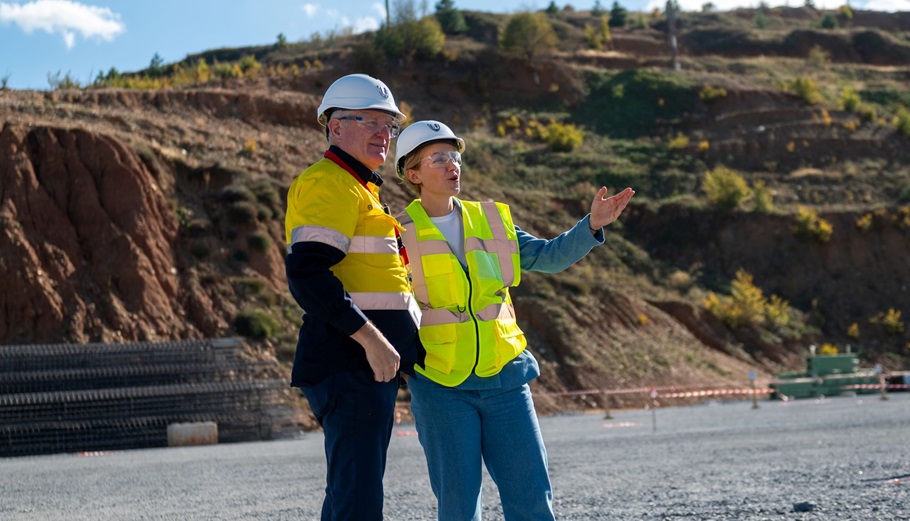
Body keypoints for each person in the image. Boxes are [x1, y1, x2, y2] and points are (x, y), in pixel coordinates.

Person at [393, 120, 634, 521]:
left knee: (532, 502)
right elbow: (386, 303)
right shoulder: (398, 233)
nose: (453, 165)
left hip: (506, 380)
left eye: (455, 156)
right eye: (438, 158)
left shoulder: (490, 220)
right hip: (441, 387)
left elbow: (549, 256)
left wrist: (590, 226)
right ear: (413, 173)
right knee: (458, 507)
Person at [284, 73, 421, 521]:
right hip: (350, 363)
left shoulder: (362, 189)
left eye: (390, 125)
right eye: (371, 122)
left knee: (353, 493)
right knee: (357, 500)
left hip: (362, 367)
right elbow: (307, 274)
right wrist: (373, 340)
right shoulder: (330, 183)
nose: (384, 134)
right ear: (335, 126)